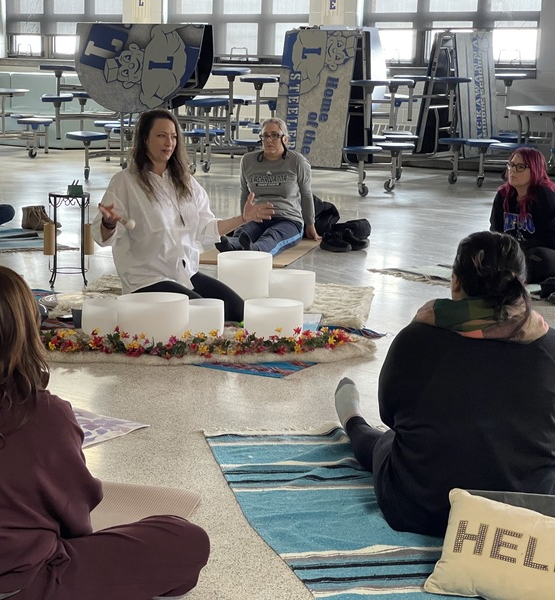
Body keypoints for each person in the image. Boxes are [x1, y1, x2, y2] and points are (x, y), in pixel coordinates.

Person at [0, 265, 210, 599]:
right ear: (27, 328)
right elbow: (75, 516)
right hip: (11, 588)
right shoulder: (44, 413)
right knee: (185, 540)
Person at [334, 231, 555, 537]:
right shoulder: (550, 347)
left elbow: (391, 416)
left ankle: (351, 419)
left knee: (388, 442)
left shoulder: (416, 338)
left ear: (455, 282)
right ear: (521, 285)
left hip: (423, 508)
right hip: (520, 516)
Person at [91, 108, 274, 322]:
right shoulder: (124, 182)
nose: (169, 142)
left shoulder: (185, 181)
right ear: (144, 139)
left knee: (239, 311)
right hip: (146, 280)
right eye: (161, 136)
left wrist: (243, 219)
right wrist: (109, 223)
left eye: (173, 136)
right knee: (204, 316)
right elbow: (102, 238)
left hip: (184, 273)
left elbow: (205, 229)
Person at [217, 117, 320, 255]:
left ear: (285, 139)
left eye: (275, 135)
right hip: (258, 216)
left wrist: (310, 224)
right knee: (244, 232)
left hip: (288, 219)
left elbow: (306, 194)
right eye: (265, 136)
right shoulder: (248, 161)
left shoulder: (297, 161)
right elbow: (244, 194)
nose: (269, 140)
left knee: (273, 235)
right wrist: (244, 219)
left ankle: (258, 251)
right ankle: (232, 246)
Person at [489, 146, 555, 283]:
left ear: (535, 170)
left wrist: (519, 250)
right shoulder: (503, 196)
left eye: (520, 167)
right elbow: (496, 231)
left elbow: (550, 237)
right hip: (513, 252)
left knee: (539, 259)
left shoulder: (544, 195)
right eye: (511, 165)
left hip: (540, 251)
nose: (513, 170)